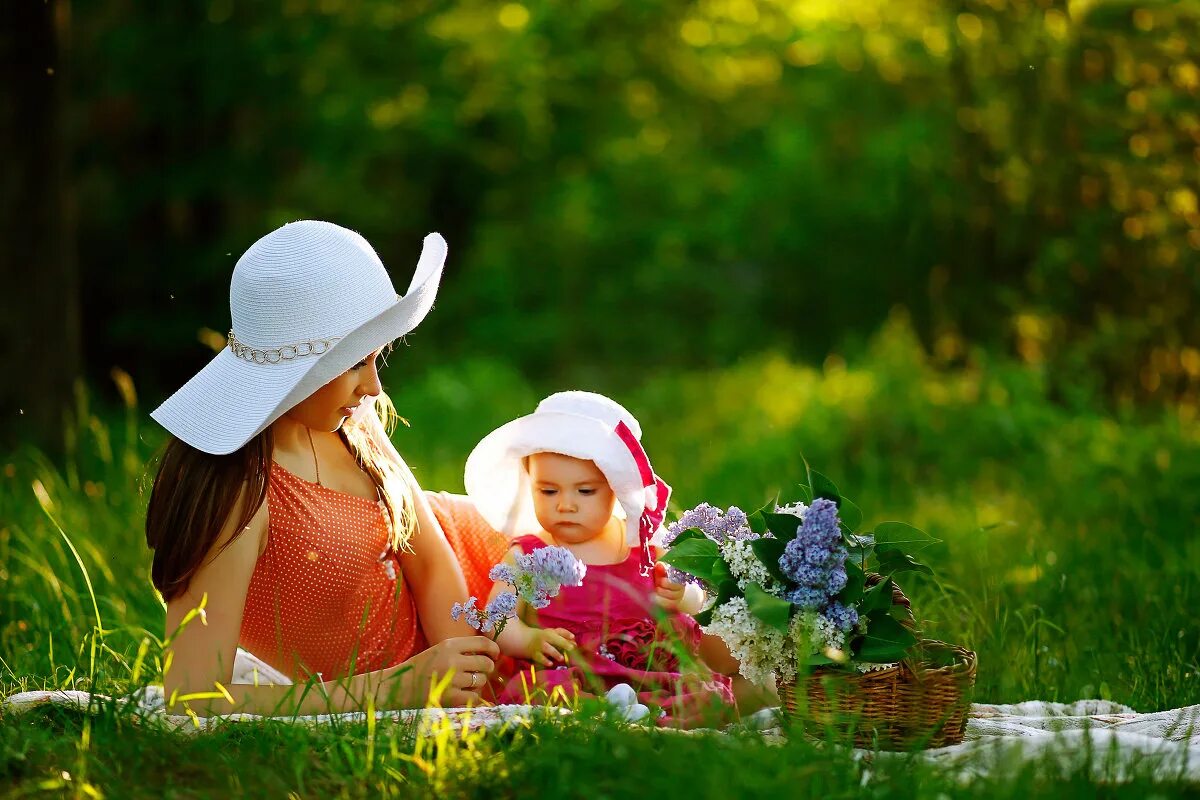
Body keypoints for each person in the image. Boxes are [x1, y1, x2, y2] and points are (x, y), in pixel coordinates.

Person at [144, 220, 503, 716]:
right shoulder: (237, 492)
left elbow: (431, 558)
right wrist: (396, 689)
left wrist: (473, 681)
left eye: (377, 358)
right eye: (356, 363)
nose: (374, 388)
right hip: (427, 670)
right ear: (292, 371)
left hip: (489, 590)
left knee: (619, 586)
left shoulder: (351, 420)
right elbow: (194, 695)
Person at [464, 391, 737, 726]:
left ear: (615, 490)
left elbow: (698, 598)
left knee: (700, 696)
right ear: (530, 482)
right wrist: (528, 639)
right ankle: (612, 712)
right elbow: (497, 620)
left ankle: (657, 716)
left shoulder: (642, 544)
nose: (566, 504)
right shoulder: (529, 553)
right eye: (548, 491)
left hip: (650, 676)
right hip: (571, 675)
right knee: (550, 699)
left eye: (585, 491)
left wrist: (684, 596)